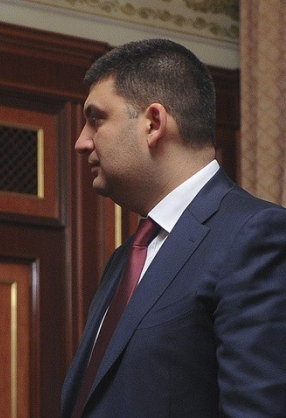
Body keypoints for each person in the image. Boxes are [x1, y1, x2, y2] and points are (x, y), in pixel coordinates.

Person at [61, 39, 286, 417]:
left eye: (96, 119)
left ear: (153, 123)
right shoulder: (126, 256)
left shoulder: (254, 236)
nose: (81, 142)